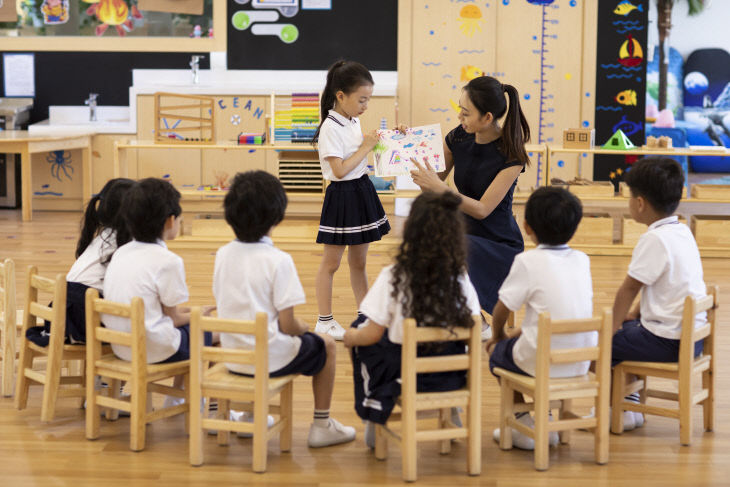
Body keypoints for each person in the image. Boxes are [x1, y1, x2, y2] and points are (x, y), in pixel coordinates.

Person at [214, 171, 356, 448]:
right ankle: (322, 424)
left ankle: (249, 416)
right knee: (326, 345)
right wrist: (305, 328)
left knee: (255, 328)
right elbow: (288, 326)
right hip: (267, 358)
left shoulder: (222, 254)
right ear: (277, 216)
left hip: (232, 355)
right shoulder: (278, 260)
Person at [343, 191, 481, 448]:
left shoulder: (394, 275)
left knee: (359, 333)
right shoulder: (460, 276)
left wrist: (351, 338)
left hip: (404, 375)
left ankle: (375, 415)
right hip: (450, 374)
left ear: (408, 228)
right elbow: (474, 323)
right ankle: (450, 407)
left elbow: (372, 334)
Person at [410, 76, 531, 326]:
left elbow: (483, 210)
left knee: (452, 246)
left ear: (487, 118)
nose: (459, 119)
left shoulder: (512, 155)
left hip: (498, 242)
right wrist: (403, 144)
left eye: (466, 114)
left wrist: (440, 189)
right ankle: (450, 315)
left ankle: (476, 322)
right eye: (460, 111)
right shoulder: (458, 137)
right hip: (462, 231)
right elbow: (430, 181)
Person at [486, 186, 595, 450]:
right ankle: (545, 416)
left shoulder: (527, 261)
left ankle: (522, 421)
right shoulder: (582, 259)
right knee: (519, 345)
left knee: (496, 353)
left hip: (542, 360)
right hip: (581, 360)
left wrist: (498, 334)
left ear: (526, 227)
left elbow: (503, 308)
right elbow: (559, 309)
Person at [611, 157, 706, 431]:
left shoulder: (653, 239)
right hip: (691, 337)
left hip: (667, 340)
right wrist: (633, 315)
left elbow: (629, 288)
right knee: (631, 329)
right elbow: (662, 284)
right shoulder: (682, 231)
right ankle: (629, 401)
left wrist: (613, 325)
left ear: (639, 203)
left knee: (601, 345)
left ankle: (618, 408)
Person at [312, 60, 391, 340]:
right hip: (342, 195)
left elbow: (361, 153)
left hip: (361, 191)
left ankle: (366, 314)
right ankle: (324, 320)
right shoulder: (330, 127)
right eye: (362, 99)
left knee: (359, 263)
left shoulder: (352, 119)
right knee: (331, 263)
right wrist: (367, 146)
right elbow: (340, 170)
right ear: (341, 96)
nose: (365, 106)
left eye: (368, 100)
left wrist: (392, 138)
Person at [103, 178, 212, 366]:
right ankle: (185, 396)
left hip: (120, 346)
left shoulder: (121, 252)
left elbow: (159, 310)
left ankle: (178, 397)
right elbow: (173, 318)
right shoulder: (169, 261)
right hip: (153, 348)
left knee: (198, 328)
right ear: (171, 221)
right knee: (210, 331)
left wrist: (193, 311)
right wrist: (200, 313)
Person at [25, 178, 134, 348]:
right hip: (82, 319)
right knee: (137, 332)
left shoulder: (104, 236)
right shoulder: (125, 243)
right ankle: (107, 372)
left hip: (62, 314)